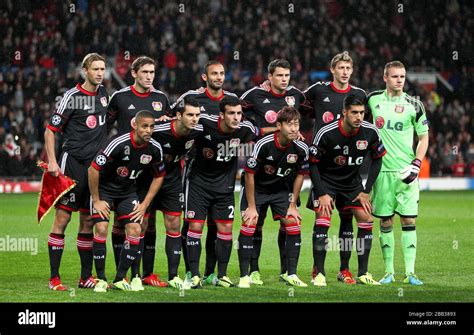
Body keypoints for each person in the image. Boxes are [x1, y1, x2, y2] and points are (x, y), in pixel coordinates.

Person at [44, 53, 108, 291]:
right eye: (95, 69)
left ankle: (85, 278)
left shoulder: (103, 95)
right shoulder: (72, 96)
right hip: (72, 165)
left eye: (102, 69)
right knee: (62, 218)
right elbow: (50, 130)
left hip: (94, 170)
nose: (100, 73)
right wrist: (53, 161)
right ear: (85, 71)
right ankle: (54, 278)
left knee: (88, 221)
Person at [240, 59, 306, 284]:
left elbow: (314, 108)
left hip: (284, 173)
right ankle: (253, 270)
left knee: (287, 223)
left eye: (287, 75)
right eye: (279, 75)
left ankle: (286, 270)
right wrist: (265, 130)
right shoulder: (254, 95)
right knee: (255, 223)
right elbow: (234, 112)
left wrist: (295, 133)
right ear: (269, 76)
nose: (284, 79)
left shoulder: (296, 95)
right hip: (260, 165)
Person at [308, 95, 386, 286]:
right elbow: (312, 165)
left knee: (366, 218)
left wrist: (366, 190)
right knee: (323, 218)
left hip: (352, 184)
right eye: (354, 113)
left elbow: (378, 159)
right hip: (326, 182)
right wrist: (322, 193)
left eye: (362, 113)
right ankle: (319, 273)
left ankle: (358, 272)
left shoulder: (370, 132)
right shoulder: (326, 133)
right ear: (344, 113)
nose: (359, 117)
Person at [173, 60, 238, 286]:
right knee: (192, 223)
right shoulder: (193, 98)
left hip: (224, 176)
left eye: (222, 73)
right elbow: (174, 118)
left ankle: (212, 273)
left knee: (217, 225)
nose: (219, 77)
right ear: (204, 77)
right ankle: (191, 271)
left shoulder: (231, 101)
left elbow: (247, 128)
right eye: (214, 74)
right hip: (196, 170)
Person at [304, 51, 367, 284]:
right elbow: (296, 103)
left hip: (348, 168)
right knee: (323, 216)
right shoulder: (319, 90)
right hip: (322, 165)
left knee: (348, 218)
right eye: (340, 68)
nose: (344, 72)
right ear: (333, 70)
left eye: (348, 68)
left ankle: (344, 269)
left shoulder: (359, 94)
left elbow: (366, 123)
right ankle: (318, 269)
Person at [107, 56, 171, 288]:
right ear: (134, 73)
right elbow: (105, 127)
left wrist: (166, 119)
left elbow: (170, 126)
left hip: (149, 168)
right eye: (144, 72)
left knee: (148, 222)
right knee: (119, 224)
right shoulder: (119, 97)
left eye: (152, 72)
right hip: (122, 171)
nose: (149, 76)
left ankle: (146, 273)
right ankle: (122, 273)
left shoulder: (161, 98)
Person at [184, 95, 258, 288]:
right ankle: (194, 275)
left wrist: (284, 129)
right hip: (198, 184)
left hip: (225, 187)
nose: (236, 117)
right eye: (232, 113)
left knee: (225, 229)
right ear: (221, 115)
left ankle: (221, 275)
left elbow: (261, 133)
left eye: (239, 113)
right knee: (196, 228)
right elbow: (183, 127)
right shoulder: (204, 124)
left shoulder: (245, 129)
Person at [88, 110, 166, 292]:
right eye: (144, 126)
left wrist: (144, 204)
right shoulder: (117, 142)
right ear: (135, 126)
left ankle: (121, 277)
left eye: (152, 126)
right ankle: (100, 279)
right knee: (101, 228)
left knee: (136, 229)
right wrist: (97, 200)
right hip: (104, 192)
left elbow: (159, 176)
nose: (149, 130)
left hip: (127, 193)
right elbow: (93, 169)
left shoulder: (155, 148)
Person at [367, 61, 429, 285]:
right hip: (382, 171)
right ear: (385, 78)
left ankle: (410, 272)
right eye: (395, 76)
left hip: (407, 171)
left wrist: (417, 163)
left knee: (409, 218)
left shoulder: (415, 104)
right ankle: (389, 272)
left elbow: (424, 138)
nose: (399, 80)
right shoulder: (372, 100)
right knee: (385, 222)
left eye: (402, 76)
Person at [151, 97, 203, 289]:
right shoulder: (159, 130)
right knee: (140, 227)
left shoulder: (197, 132)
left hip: (172, 182)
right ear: (178, 115)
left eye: (197, 115)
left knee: (174, 225)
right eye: (190, 115)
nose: (194, 119)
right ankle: (137, 275)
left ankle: (173, 276)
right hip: (148, 181)